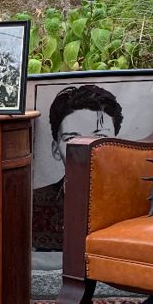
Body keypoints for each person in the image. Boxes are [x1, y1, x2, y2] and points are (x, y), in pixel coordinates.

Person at [33, 84, 124, 251]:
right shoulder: (33, 205)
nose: (86, 148)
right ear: (56, 149)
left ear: (118, 145)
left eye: (100, 137)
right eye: (72, 138)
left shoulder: (133, 204)